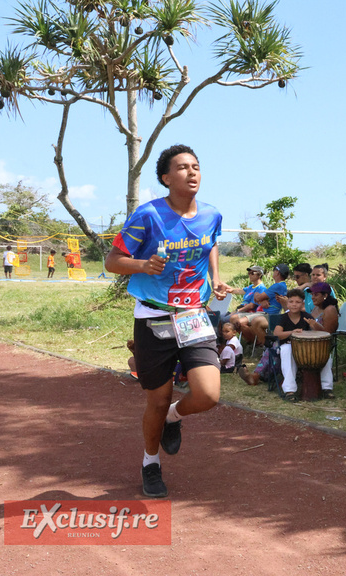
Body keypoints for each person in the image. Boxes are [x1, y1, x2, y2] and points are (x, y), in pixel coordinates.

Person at [104, 144, 230, 499]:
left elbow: (212, 245)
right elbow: (113, 261)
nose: (191, 173)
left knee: (207, 394)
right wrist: (143, 265)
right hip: (153, 316)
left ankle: (174, 418)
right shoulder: (148, 216)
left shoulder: (211, 215)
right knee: (155, 402)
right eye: (182, 168)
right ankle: (150, 463)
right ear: (165, 178)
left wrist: (216, 279)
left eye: (196, 166)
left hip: (193, 315)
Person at [274, 288, 330, 402]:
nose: (294, 305)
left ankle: (327, 388)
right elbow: (277, 333)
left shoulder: (306, 316)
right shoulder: (284, 318)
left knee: (327, 356)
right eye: (291, 301)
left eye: (297, 302)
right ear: (287, 303)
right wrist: (292, 332)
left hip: (306, 349)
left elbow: (320, 332)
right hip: (287, 346)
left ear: (302, 304)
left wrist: (314, 325)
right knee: (287, 350)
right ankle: (290, 390)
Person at [247, 263, 290, 342]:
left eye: (274, 270)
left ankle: (266, 345)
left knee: (253, 322)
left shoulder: (278, 286)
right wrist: (262, 299)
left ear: (277, 272)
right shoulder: (282, 285)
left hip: (271, 315)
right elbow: (261, 298)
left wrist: (257, 294)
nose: (273, 272)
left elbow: (258, 297)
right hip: (268, 313)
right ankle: (262, 344)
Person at [227, 265, 267, 334]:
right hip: (242, 309)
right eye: (249, 273)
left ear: (259, 275)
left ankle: (249, 339)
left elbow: (252, 305)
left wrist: (237, 311)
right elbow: (240, 291)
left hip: (249, 311)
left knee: (229, 319)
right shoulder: (251, 286)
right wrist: (228, 290)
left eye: (252, 273)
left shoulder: (261, 288)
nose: (250, 275)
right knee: (221, 317)